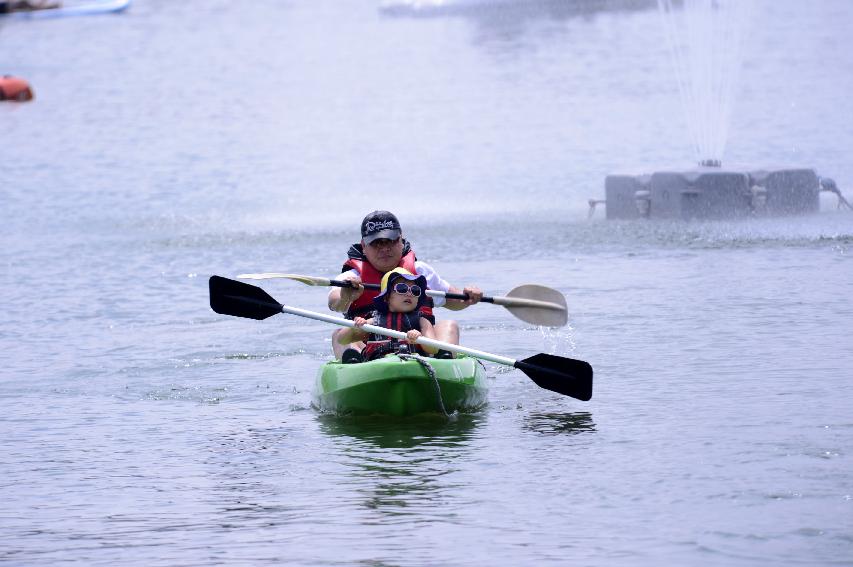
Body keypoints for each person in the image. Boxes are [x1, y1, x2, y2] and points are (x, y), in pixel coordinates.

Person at [328, 210, 482, 360]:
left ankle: (443, 360)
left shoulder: (421, 271)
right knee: (339, 334)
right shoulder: (351, 277)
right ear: (364, 246)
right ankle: (354, 364)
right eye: (376, 243)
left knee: (449, 325)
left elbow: (456, 301)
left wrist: (469, 296)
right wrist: (345, 296)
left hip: (421, 346)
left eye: (391, 240)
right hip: (370, 352)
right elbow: (334, 304)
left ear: (401, 240)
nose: (385, 248)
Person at [335, 268, 439, 363]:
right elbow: (341, 340)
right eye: (402, 288)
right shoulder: (374, 321)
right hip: (378, 363)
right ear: (387, 297)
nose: (409, 294)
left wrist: (419, 339)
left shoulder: (422, 320)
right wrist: (354, 327)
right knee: (354, 350)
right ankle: (354, 361)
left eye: (415, 290)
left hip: (414, 362)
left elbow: (434, 348)